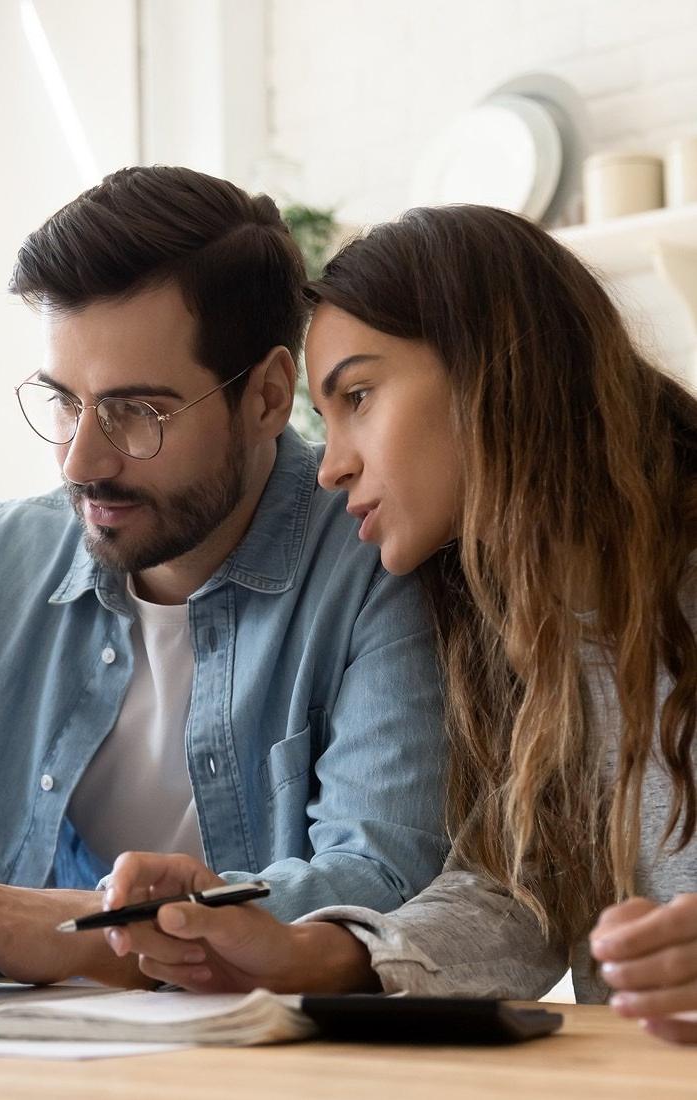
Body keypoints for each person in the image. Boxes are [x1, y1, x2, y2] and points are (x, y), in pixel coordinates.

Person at [0, 166, 448, 988]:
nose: (82, 460)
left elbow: (381, 880)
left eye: (135, 412)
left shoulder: (380, 558)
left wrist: (81, 934)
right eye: (63, 402)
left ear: (264, 397)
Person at [103, 203, 697, 1044]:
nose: (334, 464)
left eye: (359, 396)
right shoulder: (515, 631)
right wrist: (309, 952)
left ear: (497, 365)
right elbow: (513, 892)